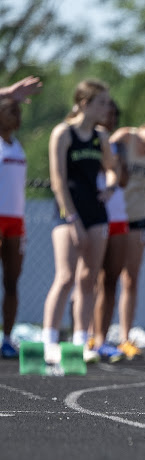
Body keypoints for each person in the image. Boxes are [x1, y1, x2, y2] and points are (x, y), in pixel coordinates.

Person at [42, 79, 118, 364]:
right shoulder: (63, 133)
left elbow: (112, 170)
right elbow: (58, 180)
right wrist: (72, 219)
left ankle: (79, 341)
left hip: (96, 213)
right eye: (101, 102)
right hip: (68, 213)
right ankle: (49, 341)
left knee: (88, 279)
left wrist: (109, 188)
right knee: (65, 277)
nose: (106, 108)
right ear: (85, 103)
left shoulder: (101, 136)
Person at [95, 113, 145, 360]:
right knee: (104, 278)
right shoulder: (125, 136)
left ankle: (125, 338)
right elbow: (103, 165)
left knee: (131, 278)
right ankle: (94, 335)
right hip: (111, 215)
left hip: (136, 219)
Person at [0, 77, 42, 358]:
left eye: (19, 109)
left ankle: (7, 338)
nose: (17, 112)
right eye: (10, 108)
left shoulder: (17, 144)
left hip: (15, 221)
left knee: (12, 282)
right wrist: (7, 92)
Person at [92, 99, 128, 363]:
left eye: (115, 115)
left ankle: (102, 339)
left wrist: (118, 157)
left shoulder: (117, 145)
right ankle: (85, 336)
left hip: (119, 216)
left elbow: (123, 179)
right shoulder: (84, 140)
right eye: (108, 112)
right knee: (88, 280)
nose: (111, 118)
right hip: (94, 216)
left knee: (111, 280)